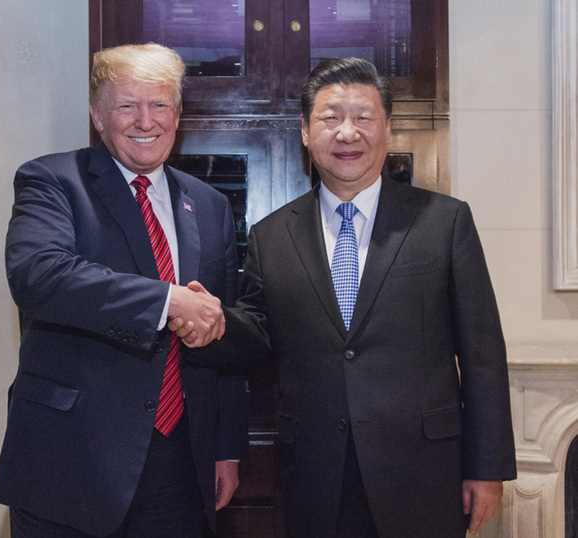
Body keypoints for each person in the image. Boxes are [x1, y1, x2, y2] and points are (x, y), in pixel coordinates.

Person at [174, 57, 517, 537]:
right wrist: (209, 322)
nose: (347, 133)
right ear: (305, 132)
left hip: (423, 471)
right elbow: (257, 330)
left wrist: (487, 467)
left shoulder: (445, 221)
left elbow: (482, 355)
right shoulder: (272, 235)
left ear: (388, 128)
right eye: (330, 118)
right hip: (315, 472)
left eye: (364, 117)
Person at [0, 43, 248, 538]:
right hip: (71, 463)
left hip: (180, 466)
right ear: (98, 115)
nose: (145, 121)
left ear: (177, 115)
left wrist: (226, 447)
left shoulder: (209, 204)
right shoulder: (52, 180)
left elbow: (221, 333)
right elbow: (38, 276)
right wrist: (167, 300)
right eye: (127, 105)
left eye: (159, 105)